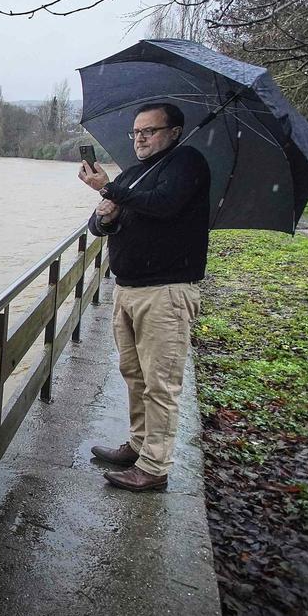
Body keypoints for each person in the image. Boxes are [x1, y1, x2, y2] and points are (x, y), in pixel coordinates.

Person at [78, 102, 211, 492]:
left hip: (166, 292)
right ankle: (138, 445)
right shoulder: (136, 174)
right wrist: (106, 214)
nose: (140, 138)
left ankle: (154, 467)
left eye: (150, 131)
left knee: (161, 383)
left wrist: (108, 187)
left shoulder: (187, 163)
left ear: (174, 132)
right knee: (134, 375)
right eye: (136, 132)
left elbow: (165, 206)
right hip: (129, 290)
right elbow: (98, 225)